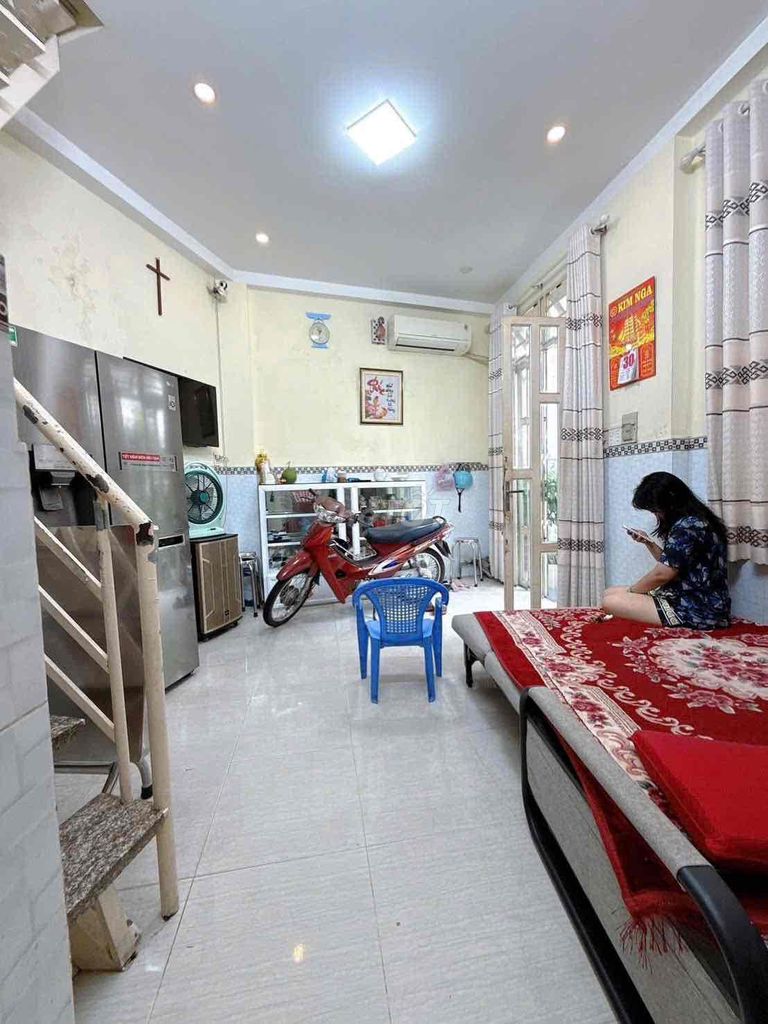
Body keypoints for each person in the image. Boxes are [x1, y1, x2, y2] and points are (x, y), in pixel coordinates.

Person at [601, 472, 731, 629]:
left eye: (656, 510)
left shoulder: (688, 526)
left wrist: (632, 592)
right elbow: (672, 563)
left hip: (697, 608)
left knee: (610, 601)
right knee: (610, 592)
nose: (657, 515)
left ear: (670, 502)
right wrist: (648, 542)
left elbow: (662, 575)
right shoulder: (697, 519)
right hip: (696, 599)